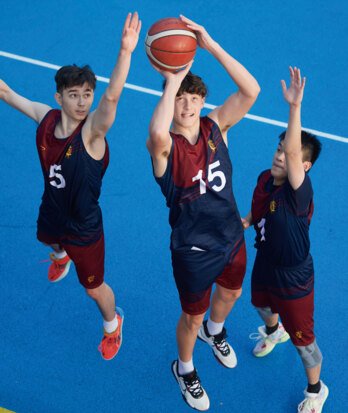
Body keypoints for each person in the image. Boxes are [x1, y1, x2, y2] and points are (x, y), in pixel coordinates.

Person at [0, 12, 141, 361]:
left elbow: (112, 100)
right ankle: (60, 256)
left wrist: (125, 52)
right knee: (48, 238)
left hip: (84, 227)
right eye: (74, 95)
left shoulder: (92, 135)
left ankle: (113, 324)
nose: (82, 102)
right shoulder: (45, 118)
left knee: (94, 289)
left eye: (87, 94)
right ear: (59, 97)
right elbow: (5, 92)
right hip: (53, 210)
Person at [147, 15, 260, 411]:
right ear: (171, 99)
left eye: (194, 98)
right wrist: (174, 78)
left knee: (232, 293)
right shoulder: (165, 150)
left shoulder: (216, 129)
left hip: (231, 236)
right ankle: (185, 368)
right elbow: (158, 133)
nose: (188, 105)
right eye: (181, 98)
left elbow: (251, 90)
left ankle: (217, 331)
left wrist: (209, 45)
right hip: (193, 249)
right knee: (190, 319)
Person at [242, 67, 328, 412]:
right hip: (266, 262)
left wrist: (294, 108)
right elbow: (258, 214)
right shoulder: (265, 179)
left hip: (293, 277)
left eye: (287, 153)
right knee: (260, 306)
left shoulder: (299, 193)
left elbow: (295, 153)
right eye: (278, 148)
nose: (280, 155)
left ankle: (316, 390)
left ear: (304, 167)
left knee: (304, 342)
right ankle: (273, 330)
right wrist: (244, 222)